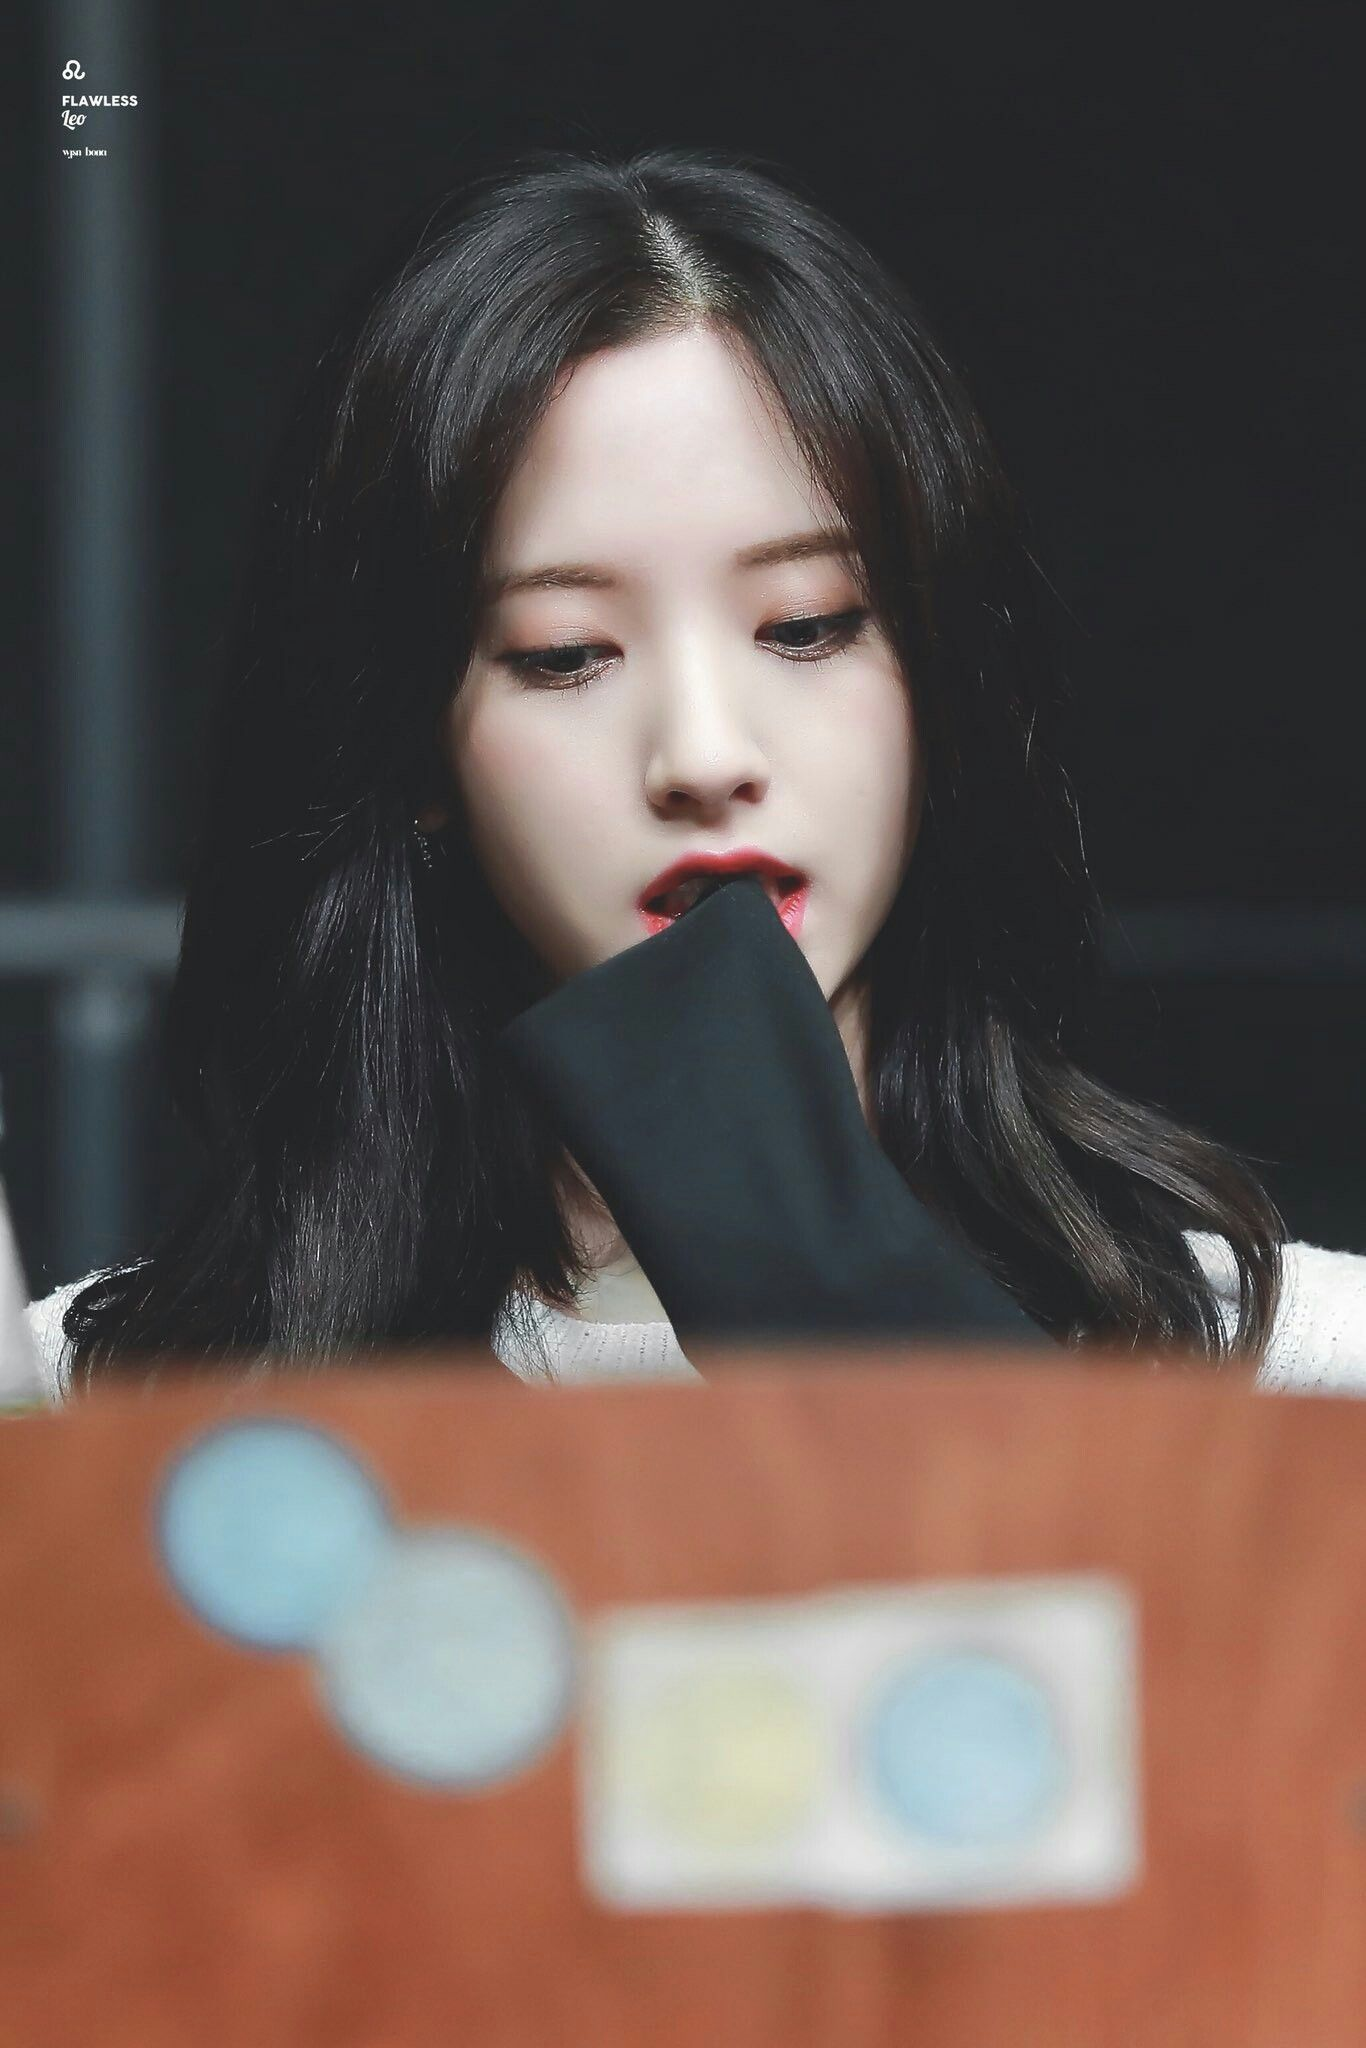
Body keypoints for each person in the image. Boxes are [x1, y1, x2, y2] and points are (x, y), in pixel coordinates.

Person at [24, 145, 1366, 1403]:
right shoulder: (113, 1415)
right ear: (413, 740)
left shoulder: (1290, 1380)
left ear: (941, 677)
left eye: (806, 627)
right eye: (564, 654)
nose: (706, 756)